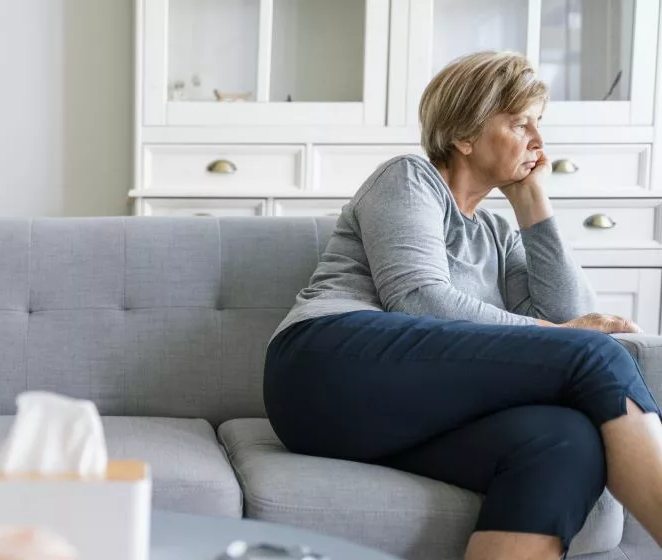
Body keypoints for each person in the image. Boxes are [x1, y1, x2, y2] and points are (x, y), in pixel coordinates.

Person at [264, 50, 662, 559]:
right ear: (465, 134)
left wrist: (532, 205)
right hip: (322, 364)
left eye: (539, 125)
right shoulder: (409, 178)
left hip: (399, 414)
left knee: (564, 442)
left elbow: (571, 311)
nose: (539, 143)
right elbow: (418, 297)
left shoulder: (497, 234)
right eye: (521, 124)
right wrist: (564, 335)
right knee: (589, 353)